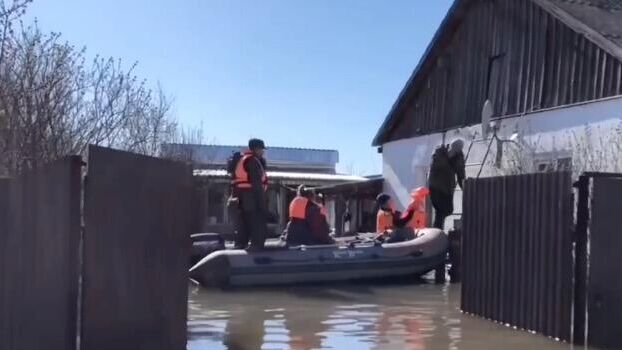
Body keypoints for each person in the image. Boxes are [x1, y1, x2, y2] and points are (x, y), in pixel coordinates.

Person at [231, 138, 270, 251]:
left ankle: (240, 244)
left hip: (242, 197)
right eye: (261, 149)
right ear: (255, 149)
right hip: (251, 197)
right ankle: (256, 246)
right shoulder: (252, 161)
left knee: (244, 222)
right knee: (257, 221)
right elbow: (257, 185)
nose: (263, 152)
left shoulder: (243, 159)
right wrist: (263, 206)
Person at [428, 139, 466, 230]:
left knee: (448, 210)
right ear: (451, 146)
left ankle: (437, 231)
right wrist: (449, 157)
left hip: (447, 188)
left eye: (458, 150)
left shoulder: (458, 156)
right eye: (455, 149)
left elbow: (461, 174)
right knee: (440, 211)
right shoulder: (440, 151)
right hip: (436, 186)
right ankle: (437, 233)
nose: (456, 151)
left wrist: (465, 188)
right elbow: (437, 165)